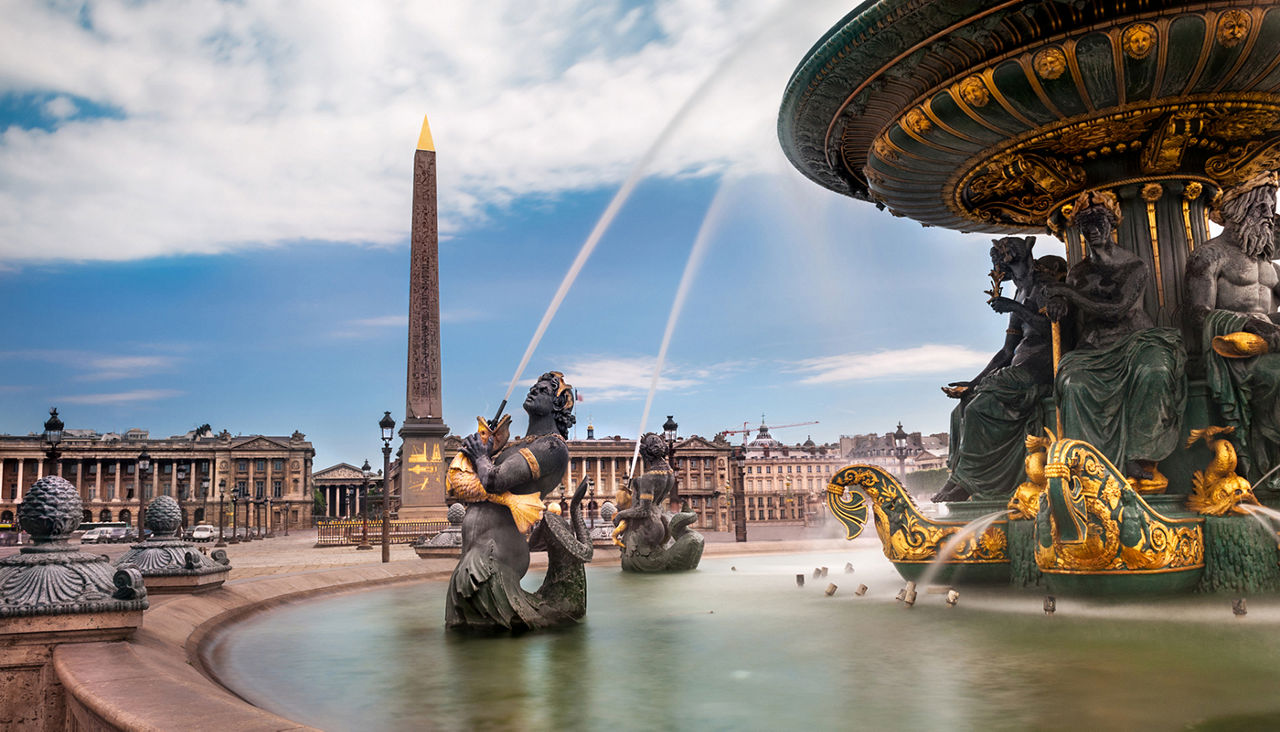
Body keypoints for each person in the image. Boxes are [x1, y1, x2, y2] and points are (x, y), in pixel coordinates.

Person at [1044, 190, 1186, 486]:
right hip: (1095, 348)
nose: (1092, 230)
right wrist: (1058, 305)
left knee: (1156, 370)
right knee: (1072, 382)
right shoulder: (1078, 272)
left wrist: (1067, 294)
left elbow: (1117, 309)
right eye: (1085, 224)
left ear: (1112, 224)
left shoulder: (1135, 266)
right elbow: (1069, 317)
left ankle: (1139, 455)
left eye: (1099, 222)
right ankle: (1087, 462)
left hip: (1138, 342)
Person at [445, 371, 588, 632]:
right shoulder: (517, 447)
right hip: (477, 558)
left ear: (557, 405)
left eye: (543, 390)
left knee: (491, 658)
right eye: (533, 387)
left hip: (493, 561)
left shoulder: (552, 448)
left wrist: (481, 456)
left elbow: (494, 480)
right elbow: (469, 484)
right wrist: (480, 451)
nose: (533, 391)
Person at [932, 237, 1062, 502]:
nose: (1000, 272)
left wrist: (1016, 309)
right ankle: (958, 477)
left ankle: (969, 483)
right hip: (1017, 373)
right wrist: (973, 383)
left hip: (1038, 373)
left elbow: (1055, 330)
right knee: (963, 408)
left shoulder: (1045, 288)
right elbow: (1006, 351)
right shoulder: (1020, 293)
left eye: (1003, 264)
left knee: (979, 409)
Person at [1184, 172, 1280, 483]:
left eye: (1271, 206)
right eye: (1260, 207)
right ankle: (1270, 465)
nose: (1269, 215)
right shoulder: (1210, 256)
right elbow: (1198, 316)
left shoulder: (1270, 264)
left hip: (1270, 345)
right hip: (1231, 351)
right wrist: (1247, 324)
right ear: (1237, 210)